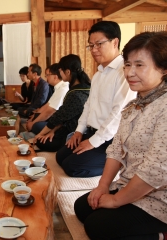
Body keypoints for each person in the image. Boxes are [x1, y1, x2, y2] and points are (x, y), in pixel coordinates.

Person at [74, 31, 167, 240]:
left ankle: (160, 235)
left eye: (139, 65)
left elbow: (157, 170)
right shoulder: (133, 107)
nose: (130, 72)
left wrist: (116, 201)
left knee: (97, 227)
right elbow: (115, 149)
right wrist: (103, 186)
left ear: (163, 69)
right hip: (129, 185)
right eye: (127, 64)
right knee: (83, 207)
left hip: (159, 197)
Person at [56, 21, 136, 177]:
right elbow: (88, 105)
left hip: (110, 140)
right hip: (92, 132)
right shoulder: (99, 74)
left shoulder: (123, 72)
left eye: (99, 44)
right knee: (60, 156)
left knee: (71, 167)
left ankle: (117, 164)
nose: (94, 50)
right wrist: (79, 132)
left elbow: (118, 114)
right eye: (91, 46)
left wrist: (93, 142)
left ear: (115, 42)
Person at [33, 54, 90, 152]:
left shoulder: (75, 94)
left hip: (74, 131)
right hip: (66, 125)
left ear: (67, 72)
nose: (59, 73)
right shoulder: (82, 86)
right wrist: (53, 130)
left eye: (60, 70)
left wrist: (41, 134)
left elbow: (59, 116)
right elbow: (63, 114)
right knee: (43, 132)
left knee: (40, 140)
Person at [26, 63, 69, 134]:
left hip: (60, 123)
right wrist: (35, 115)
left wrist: (32, 123)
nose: (46, 77)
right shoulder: (58, 87)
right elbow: (48, 105)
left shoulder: (63, 89)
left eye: (47, 75)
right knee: (34, 116)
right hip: (53, 118)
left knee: (36, 126)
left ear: (55, 77)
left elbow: (49, 112)